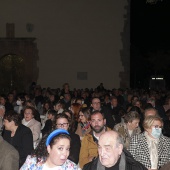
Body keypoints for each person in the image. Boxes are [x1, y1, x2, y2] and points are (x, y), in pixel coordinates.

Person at [83, 130, 147, 170]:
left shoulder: (136, 168)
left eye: (107, 148)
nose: (101, 153)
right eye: (99, 147)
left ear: (119, 148)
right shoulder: (88, 168)